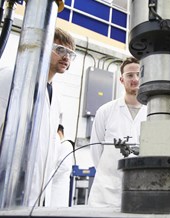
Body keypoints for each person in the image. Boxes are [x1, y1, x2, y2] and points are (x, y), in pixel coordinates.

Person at [88, 57, 147, 209]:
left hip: (143, 190)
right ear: (121, 79)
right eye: (129, 75)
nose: (135, 79)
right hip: (106, 194)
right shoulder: (106, 111)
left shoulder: (153, 112)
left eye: (138, 74)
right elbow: (96, 151)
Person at [27, 27, 76, 207]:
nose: (66, 57)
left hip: (38, 192)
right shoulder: (12, 79)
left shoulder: (56, 96)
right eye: (60, 50)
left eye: (70, 53)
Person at [50, 124, 75, 207]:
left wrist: (49, 176)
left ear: (59, 132)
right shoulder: (59, 145)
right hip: (54, 185)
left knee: (55, 209)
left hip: (59, 186)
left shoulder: (66, 145)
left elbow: (64, 166)